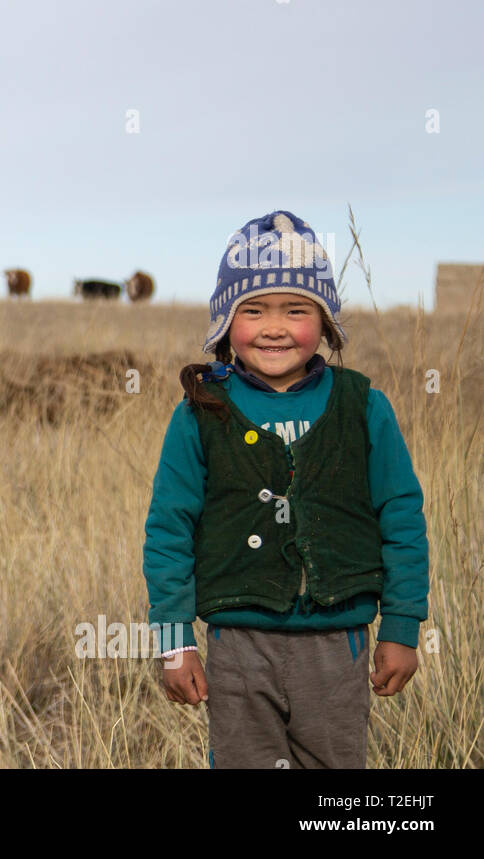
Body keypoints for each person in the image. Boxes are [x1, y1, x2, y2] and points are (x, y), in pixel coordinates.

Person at [141, 210, 429, 768]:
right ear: (226, 322)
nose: (274, 327)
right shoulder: (201, 413)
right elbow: (169, 528)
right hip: (237, 644)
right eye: (253, 310)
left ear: (324, 320)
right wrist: (175, 641)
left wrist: (401, 625)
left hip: (336, 644)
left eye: (296, 310)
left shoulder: (363, 407)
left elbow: (402, 516)